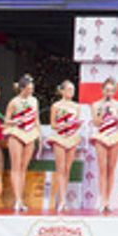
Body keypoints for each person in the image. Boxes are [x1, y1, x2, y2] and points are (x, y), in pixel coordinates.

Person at [2, 74, 40, 213]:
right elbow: (6, 120)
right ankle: (17, 199)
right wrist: (15, 121)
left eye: (32, 88)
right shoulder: (14, 102)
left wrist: (39, 137)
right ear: (22, 89)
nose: (31, 90)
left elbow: (36, 119)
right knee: (16, 167)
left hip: (30, 134)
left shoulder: (34, 101)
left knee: (24, 168)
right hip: (17, 133)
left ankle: (21, 199)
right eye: (29, 88)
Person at [90, 76, 118, 212]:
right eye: (106, 90)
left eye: (111, 91)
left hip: (115, 136)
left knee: (111, 168)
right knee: (102, 168)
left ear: (114, 92)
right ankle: (102, 199)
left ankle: (108, 200)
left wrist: (115, 115)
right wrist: (103, 112)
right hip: (101, 136)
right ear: (102, 90)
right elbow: (95, 122)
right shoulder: (96, 105)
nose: (108, 93)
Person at [47, 80, 81, 213]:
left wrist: (75, 125)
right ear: (62, 91)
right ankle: (60, 200)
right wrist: (63, 126)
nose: (71, 92)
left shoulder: (76, 107)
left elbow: (76, 122)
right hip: (59, 137)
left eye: (72, 90)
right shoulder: (56, 106)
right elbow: (53, 125)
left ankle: (63, 198)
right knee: (60, 168)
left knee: (67, 168)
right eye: (68, 89)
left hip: (72, 137)